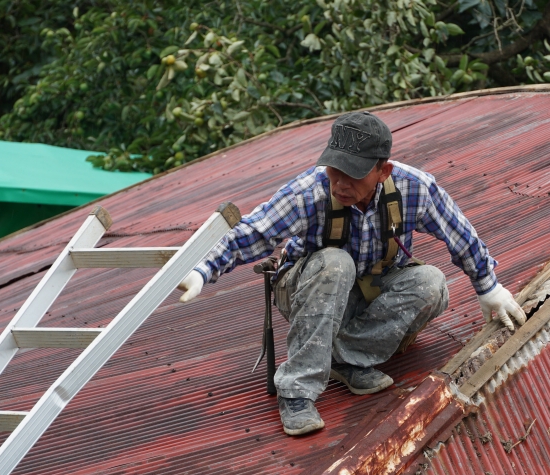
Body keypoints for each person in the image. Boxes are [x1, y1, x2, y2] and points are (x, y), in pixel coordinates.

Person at [177, 111, 525, 436]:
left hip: (368, 289)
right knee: (336, 262)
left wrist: (488, 287)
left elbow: (458, 233)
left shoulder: (414, 188)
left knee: (432, 283)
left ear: (383, 171)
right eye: (334, 169)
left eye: (353, 173)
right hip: (307, 288)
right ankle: (296, 391)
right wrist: (204, 270)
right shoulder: (309, 192)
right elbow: (252, 232)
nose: (340, 183)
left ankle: (345, 358)